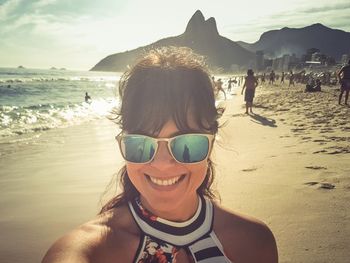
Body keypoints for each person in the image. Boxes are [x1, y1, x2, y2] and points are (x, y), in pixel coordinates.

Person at [42, 47, 277, 263]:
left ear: (211, 142)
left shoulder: (254, 242)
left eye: (187, 143)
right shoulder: (89, 251)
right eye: (141, 145)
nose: (163, 164)